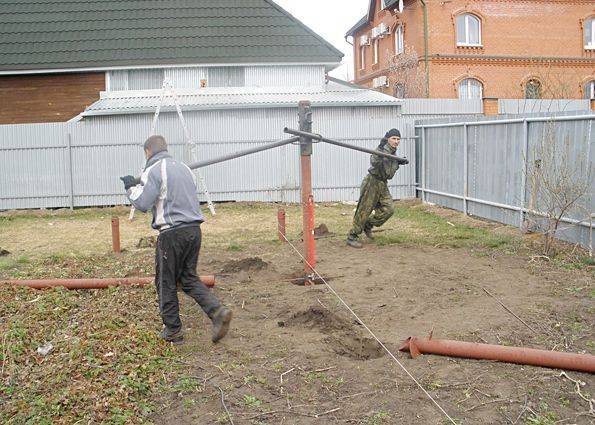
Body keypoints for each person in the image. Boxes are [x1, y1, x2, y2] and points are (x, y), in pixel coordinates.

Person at [120, 135, 232, 345]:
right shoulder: (184, 168)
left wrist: (129, 188)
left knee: (166, 282)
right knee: (188, 278)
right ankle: (217, 311)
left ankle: (173, 331)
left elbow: (143, 202)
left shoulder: (154, 170)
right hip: (194, 230)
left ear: (147, 151)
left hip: (172, 234)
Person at [346, 129, 409, 248]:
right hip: (372, 182)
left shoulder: (392, 153)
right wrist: (380, 149)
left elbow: (389, 170)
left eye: (398, 139)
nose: (396, 141)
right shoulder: (382, 150)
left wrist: (398, 162)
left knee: (388, 209)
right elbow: (374, 161)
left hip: (382, 184)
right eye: (393, 138)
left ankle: (368, 225)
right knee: (364, 210)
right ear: (388, 139)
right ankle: (352, 236)